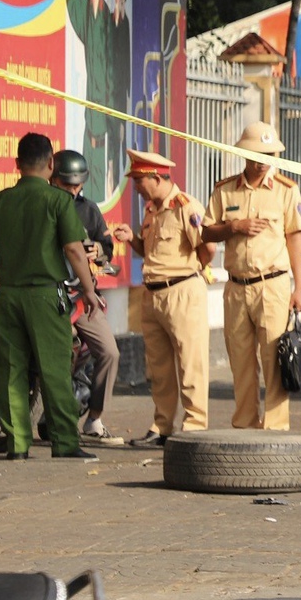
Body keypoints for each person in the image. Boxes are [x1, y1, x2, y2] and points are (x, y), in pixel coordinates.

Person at [0, 132, 102, 460]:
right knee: (56, 365)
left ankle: (17, 444)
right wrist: (88, 289)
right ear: (50, 163)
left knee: (11, 368)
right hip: (51, 293)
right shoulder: (58, 201)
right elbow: (73, 249)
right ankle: (65, 443)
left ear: (17, 165)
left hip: (9, 295)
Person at [205, 122, 301, 430]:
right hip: (236, 286)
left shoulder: (287, 191)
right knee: (240, 360)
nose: (263, 160)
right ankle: (246, 423)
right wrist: (235, 227)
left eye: (269, 153)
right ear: (244, 153)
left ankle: (276, 425)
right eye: (257, 153)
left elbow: (295, 239)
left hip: (273, 285)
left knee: (275, 359)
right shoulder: (225, 190)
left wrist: (300, 288)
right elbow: (206, 231)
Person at [111, 149, 211, 445]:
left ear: (155, 177)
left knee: (190, 363)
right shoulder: (151, 210)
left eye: (139, 181)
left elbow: (207, 249)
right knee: (159, 367)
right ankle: (162, 426)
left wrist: (190, 272)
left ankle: (194, 427)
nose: (136, 187)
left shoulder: (185, 206)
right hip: (152, 294)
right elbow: (150, 252)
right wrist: (132, 240)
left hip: (182, 292)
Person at [48, 149, 122, 442]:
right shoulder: (44, 206)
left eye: (77, 186)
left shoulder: (88, 209)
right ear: (53, 180)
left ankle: (94, 418)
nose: (73, 191)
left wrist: (99, 251)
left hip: (82, 294)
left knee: (110, 352)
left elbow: (107, 248)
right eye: (67, 186)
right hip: (50, 295)